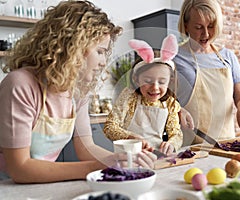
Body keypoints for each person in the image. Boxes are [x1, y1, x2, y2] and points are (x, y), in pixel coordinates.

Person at [0, 0, 156, 183]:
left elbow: (86, 147)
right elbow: (20, 168)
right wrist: (100, 167)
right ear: (73, 46)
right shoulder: (21, 84)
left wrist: (126, 161)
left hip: (40, 184)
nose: (104, 62)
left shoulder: (78, 91)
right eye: (100, 51)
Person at [174, 0, 240, 146]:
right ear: (186, 25)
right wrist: (177, 110)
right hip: (189, 147)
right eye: (198, 27)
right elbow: (160, 100)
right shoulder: (174, 57)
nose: (206, 34)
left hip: (226, 144)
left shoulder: (228, 57)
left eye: (211, 26)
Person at [104, 34, 183, 155]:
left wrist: (171, 144)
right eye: (148, 81)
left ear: (169, 81)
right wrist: (130, 138)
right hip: (128, 156)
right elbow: (110, 127)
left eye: (162, 82)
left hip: (156, 157)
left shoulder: (170, 103)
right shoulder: (129, 97)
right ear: (136, 79)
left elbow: (176, 134)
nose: (155, 87)